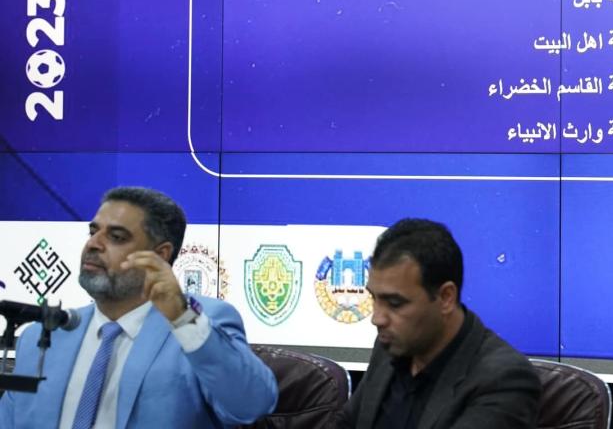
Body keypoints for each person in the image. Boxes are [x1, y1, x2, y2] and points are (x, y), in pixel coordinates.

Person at [0, 186, 277, 429]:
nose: (93, 244)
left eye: (116, 237)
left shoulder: (201, 324)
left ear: (159, 255)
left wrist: (182, 317)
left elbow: (251, 405)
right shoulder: (42, 337)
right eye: (93, 232)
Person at [340, 218, 539, 429]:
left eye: (395, 303)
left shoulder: (504, 380)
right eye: (374, 298)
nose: (377, 318)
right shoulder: (388, 347)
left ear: (446, 297)